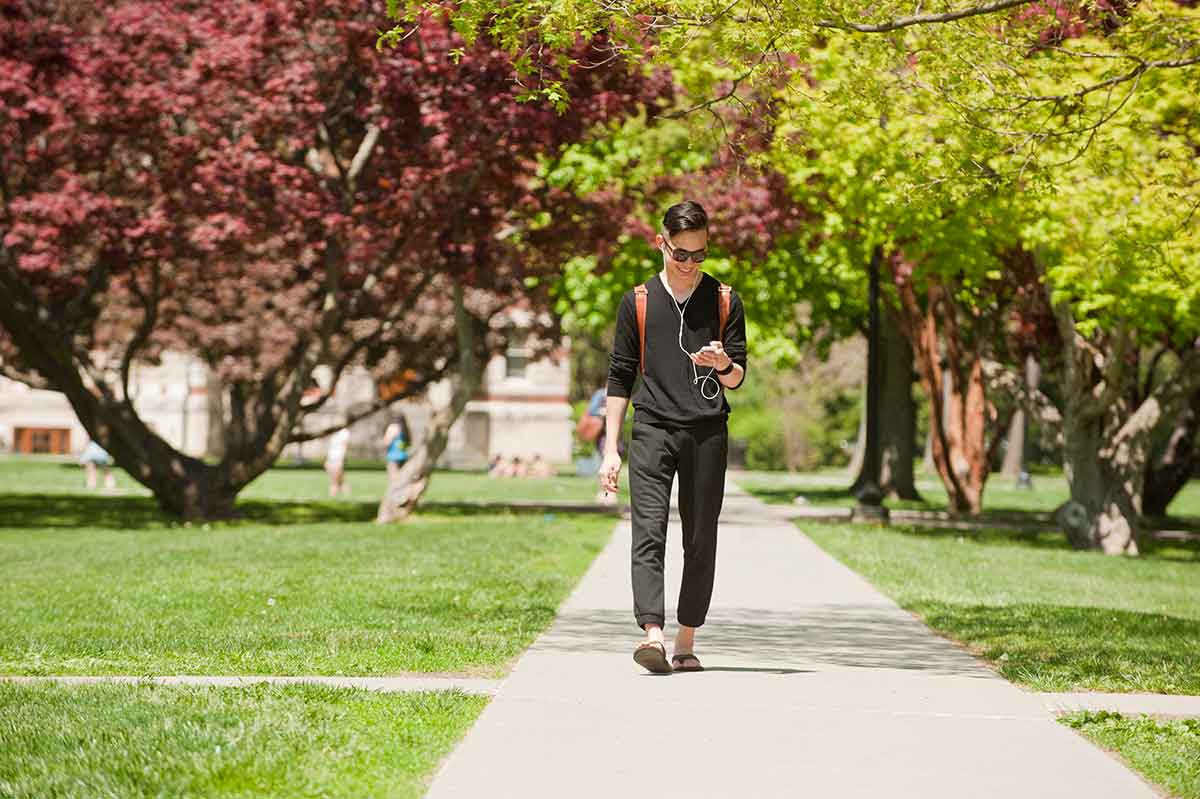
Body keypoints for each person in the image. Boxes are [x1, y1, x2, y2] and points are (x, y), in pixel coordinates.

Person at [600, 200, 748, 675]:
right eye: (680, 254)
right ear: (660, 243)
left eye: (699, 255)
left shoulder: (725, 300)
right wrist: (610, 449)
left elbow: (739, 376)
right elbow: (620, 376)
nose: (689, 265)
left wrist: (722, 364)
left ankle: (686, 638)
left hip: (707, 432)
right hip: (652, 429)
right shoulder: (638, 301)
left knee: (700, 538)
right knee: (647, 531)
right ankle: (652, 635)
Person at [382, 414, 411, 482]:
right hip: (403, 456)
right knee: (402, 478)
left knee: (393, 479)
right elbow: (408, 444)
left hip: (393, 456)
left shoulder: (393, 427)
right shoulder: (405, 429)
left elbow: (387, 442)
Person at [324, 426, 352, 497]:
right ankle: (339, 495)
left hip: (339, 458)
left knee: (337, 480)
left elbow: (345, 446)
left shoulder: (344, 432)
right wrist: (327, 460)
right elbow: (330, 447)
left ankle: (334, 495)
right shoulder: (334, 432)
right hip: (331, 458)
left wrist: (342, 459)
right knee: (337, 480)